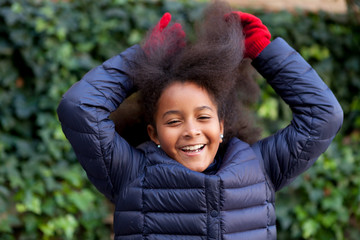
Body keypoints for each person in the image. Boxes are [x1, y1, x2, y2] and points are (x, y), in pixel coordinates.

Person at [57, 1, 343, 239]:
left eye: (203, 117)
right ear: (153, 133)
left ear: (221, 125)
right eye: (173, 121)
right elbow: (78, 108)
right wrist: (140, 59)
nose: (191, 131)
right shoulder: (130, 173)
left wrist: (264, 52)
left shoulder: (259, 166)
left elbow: (322, 116)